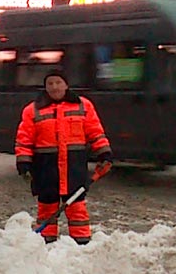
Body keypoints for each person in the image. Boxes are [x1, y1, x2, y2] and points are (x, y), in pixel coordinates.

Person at [15, 71, 112, 245]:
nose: (54, 87)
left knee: (76, 208)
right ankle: (45, 243)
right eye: (50, 83)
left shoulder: (83, 106)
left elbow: (95, 132)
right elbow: (24, 139)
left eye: (58, 82)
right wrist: (24, 163)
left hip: (73, 167)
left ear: (66, 85)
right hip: (45, 169)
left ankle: (82, 244)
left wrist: (104, 153)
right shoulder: (33, 110)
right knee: (46, 208)